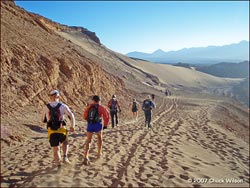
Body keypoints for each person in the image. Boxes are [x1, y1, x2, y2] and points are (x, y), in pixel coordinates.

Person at [41, 90, 75, 168]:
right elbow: (71, 115)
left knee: (56, 149)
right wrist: (72, 126)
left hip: (51, 130)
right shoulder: (63, 106)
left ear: (50, 97)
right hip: (61, 128)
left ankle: (59, 166)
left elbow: (43, 120)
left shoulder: (46, 107)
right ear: (58, 97)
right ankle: (65, 157)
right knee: (65, 142)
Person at [83, 95, 109, 165]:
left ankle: (86, 155)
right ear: (99, 100)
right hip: (98, 124)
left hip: (90, 124)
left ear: (93, 100)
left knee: (88, 140)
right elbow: (106, 116)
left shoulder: (89, 106)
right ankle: (99, 153)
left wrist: (88, 119)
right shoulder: (101, 107)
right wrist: (105, 125)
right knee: (99, 138)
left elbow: (84, 116)